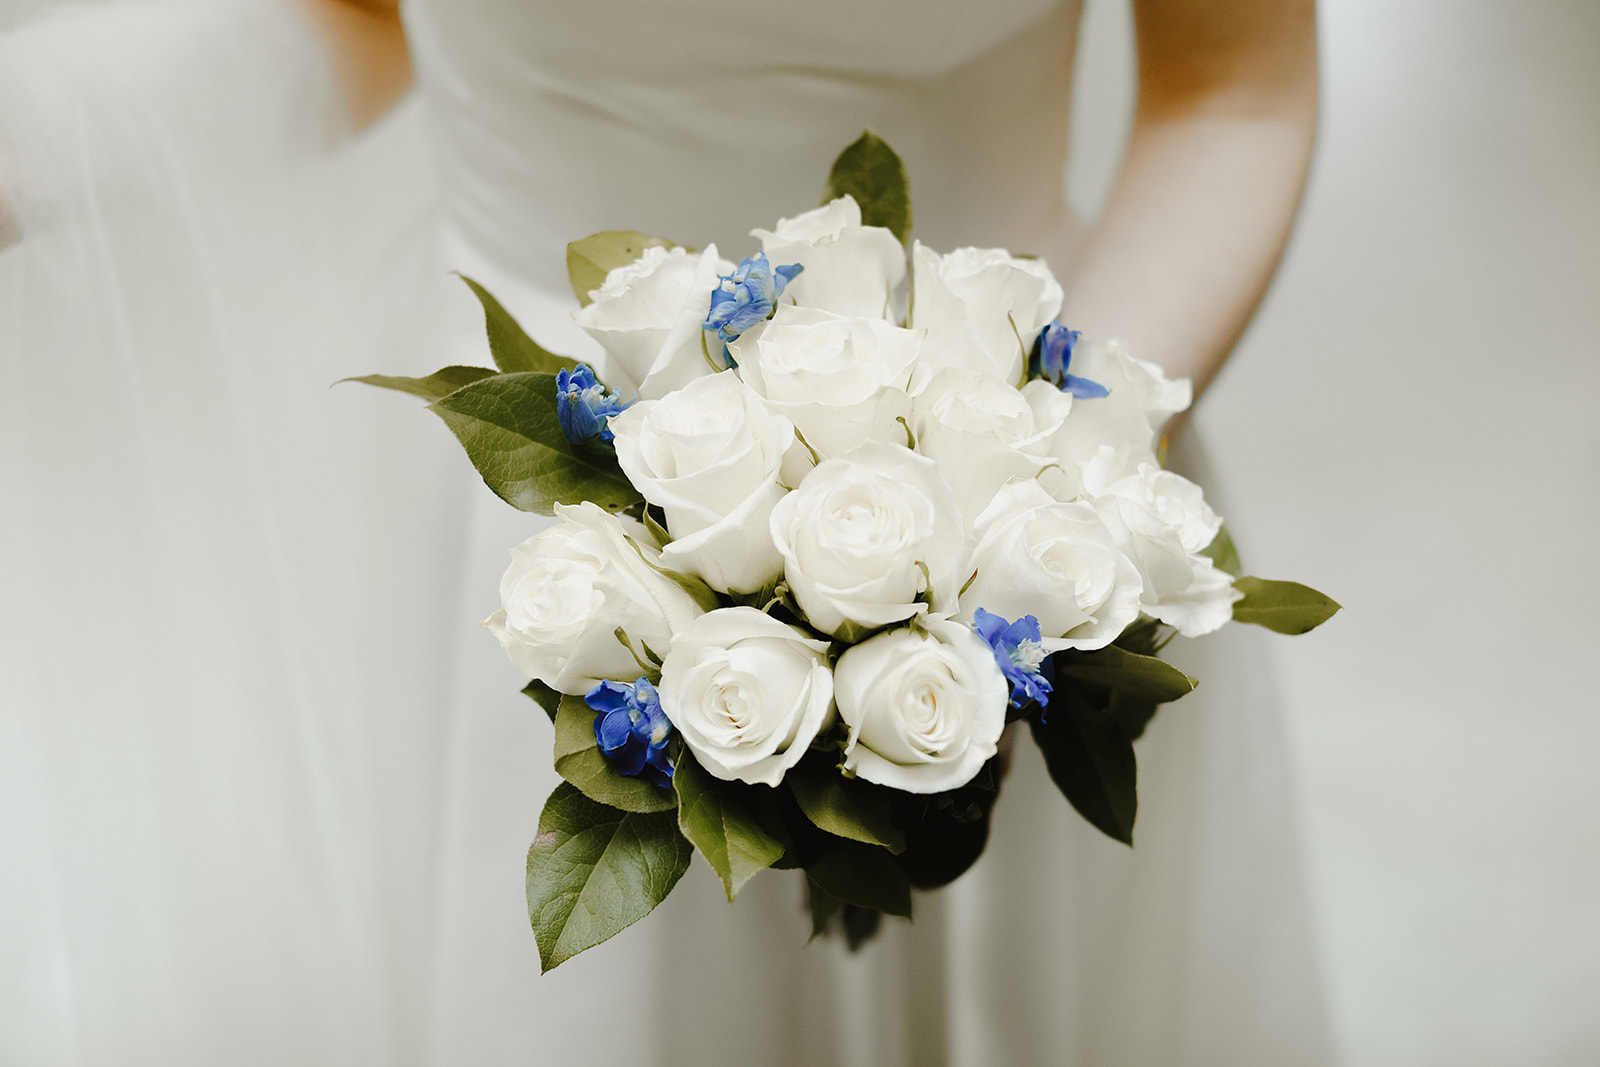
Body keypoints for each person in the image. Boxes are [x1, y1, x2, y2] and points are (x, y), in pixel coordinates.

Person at [0, 0, 1328, 1063]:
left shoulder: (1027, 495)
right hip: (528, 515)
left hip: (1006, 492)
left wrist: (1034, 492)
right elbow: (353, 19)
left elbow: (1231, 92)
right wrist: (51, 135)